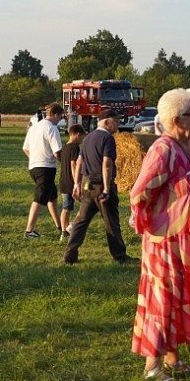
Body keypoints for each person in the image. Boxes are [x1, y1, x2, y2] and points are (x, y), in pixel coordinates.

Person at [126, 89, 190, 381]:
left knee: (180, 297)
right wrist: (153, 223)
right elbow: (140, 192)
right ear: (178, 119)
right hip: (167, 242)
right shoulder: (163, 149)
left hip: (189, 240)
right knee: (163, 298)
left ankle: (173, 357)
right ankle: (152, 366)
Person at [63, 108, 132, 265]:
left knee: (81, 220)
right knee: (111, 221)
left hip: (87, 184)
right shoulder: (107, 139)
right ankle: (120, 255)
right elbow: (107, 164)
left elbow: (79, 161)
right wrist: (107, 189)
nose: (118, 125)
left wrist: (76, 184)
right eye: (116, 122)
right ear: (107, 122)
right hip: (101, 185)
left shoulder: (87, 138)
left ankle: (70, 254)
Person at [22, 102, 64, 239]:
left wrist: (35, 157)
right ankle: (29, 231)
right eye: (61, 117)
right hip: (46, 168)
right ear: (56, 115)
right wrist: (66, 164)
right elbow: (57, 152)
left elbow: (25, 148)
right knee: (39, 198)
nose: (60, 120)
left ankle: (60, 226)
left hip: (33, 167)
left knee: (51, 196)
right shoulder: (52, 128)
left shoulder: (34, 128)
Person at [57, 124, 84, 240]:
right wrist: (76, 182)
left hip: (63, 180)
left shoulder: (65, 148)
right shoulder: (74, 147)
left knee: (66, 207)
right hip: (71, 182)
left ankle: (64, 232)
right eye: (82, 137)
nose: (82, 140)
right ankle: (71, 226)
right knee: (84, 205)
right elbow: (74, 164)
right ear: (77, 135)